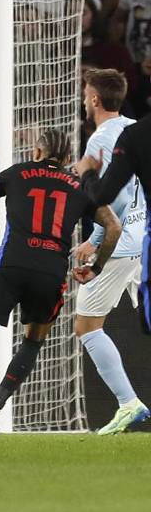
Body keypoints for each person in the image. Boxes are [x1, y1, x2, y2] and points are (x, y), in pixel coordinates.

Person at [0, 129, 121, 435]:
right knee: (33, 342)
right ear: (67, 159)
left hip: (10, 267)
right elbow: (113, 228)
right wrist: (96, 267)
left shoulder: (15, 174)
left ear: (36, 153)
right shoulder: (79, 185)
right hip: (49, 274)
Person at [71, 70, 149, 434]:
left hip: (119, 246)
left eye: (86, 95)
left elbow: (108, 197)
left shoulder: (100, 140)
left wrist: (97, 238)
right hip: (142, 238)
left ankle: (128, 403)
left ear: (94, 99)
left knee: (87, 326)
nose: (85, 101)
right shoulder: (134, 129)